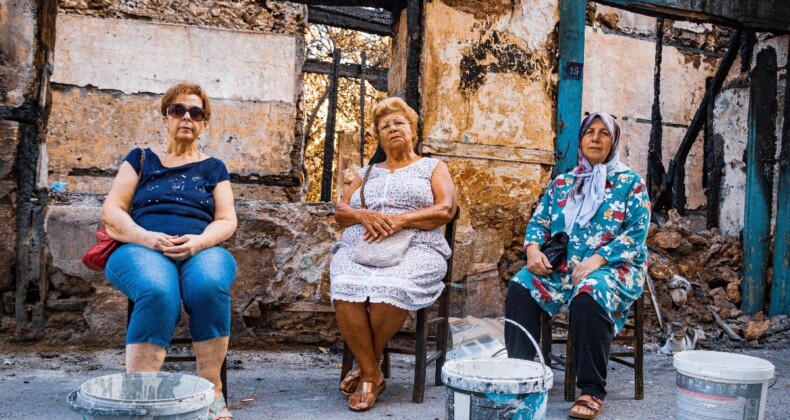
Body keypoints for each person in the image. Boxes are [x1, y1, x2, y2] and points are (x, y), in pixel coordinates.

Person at [102, 82, 237, 420]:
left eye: (196, 112)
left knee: (208, 286)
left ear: (204, 123)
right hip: (141, 246)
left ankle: (211, 392)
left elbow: (226, 220)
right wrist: (146, 237)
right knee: (158, 290)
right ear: (165, 117)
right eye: (178, 110)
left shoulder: (214, 168)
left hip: (200, 247)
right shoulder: (141, 159)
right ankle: (141, 396)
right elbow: (112, 211)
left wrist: (199, 242)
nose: (187, 117)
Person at [505, 112, 650, 420]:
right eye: (590, 133)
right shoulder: (563, 182)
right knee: (521, 285)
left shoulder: (630, 183)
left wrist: (597, 259)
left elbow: (637, 233)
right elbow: (540, 221)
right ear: (581, 140)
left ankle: (591, 390)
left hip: (613, 266)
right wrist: (532, 250)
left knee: (589, 291)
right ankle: (520, 375)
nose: (595, 138)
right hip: (563, 267)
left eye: (604, 133)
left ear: (614, 142)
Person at [330, 97, 457, 412]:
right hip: (365, 242)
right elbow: (341, 211)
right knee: (344, 282)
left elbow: (446, 209)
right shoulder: (367, 171)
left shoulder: (432, 166)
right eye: (385, 126)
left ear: (412, 130)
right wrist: (363, 216)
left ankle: (366, 368)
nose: (392, 128)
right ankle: (373, 370)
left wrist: (400, 220)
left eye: (399, 123)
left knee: (392, 287)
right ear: (379, 137)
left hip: (418, 243)